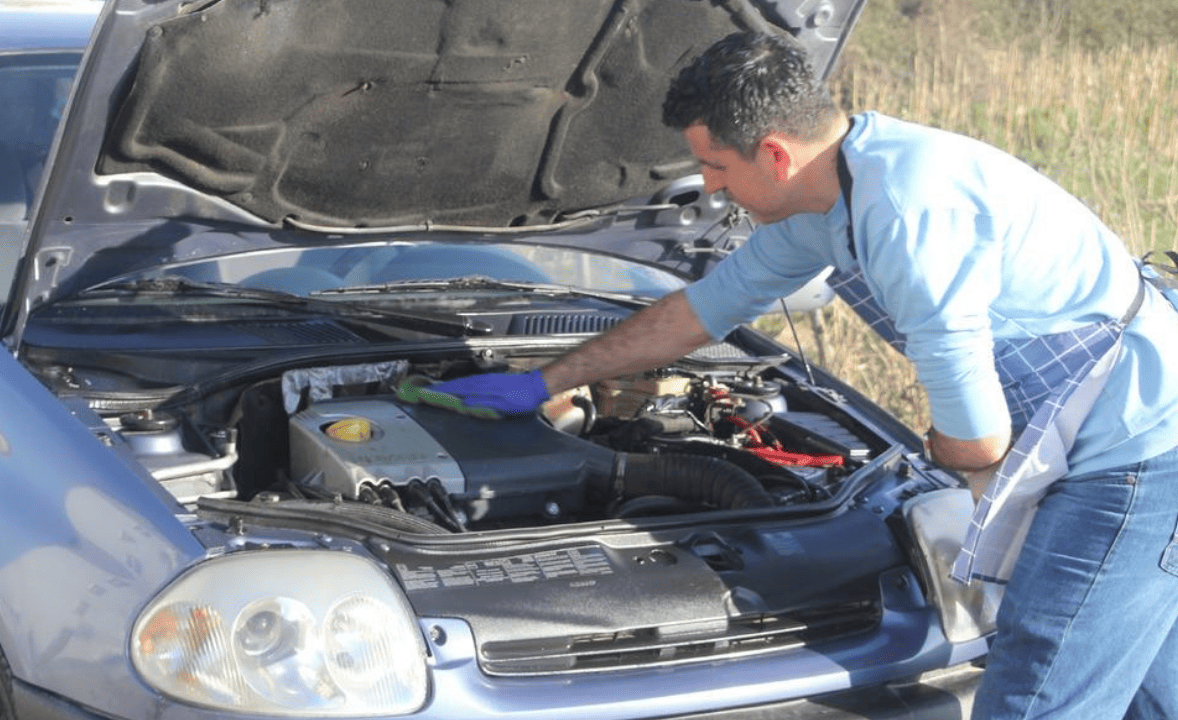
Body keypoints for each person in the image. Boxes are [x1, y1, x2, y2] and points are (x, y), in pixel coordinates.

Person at [413, 29, 1178, 720]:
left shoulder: (909, 213)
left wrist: (970, 498)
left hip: (1133, 454)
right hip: (1103, 428)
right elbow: (696, 312)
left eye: (714, 165)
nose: (709, 188)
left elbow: (976, 442)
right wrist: (544, 381)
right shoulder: (830, 195)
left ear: (774, 154)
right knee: (1147, 678)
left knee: (1037, 683)